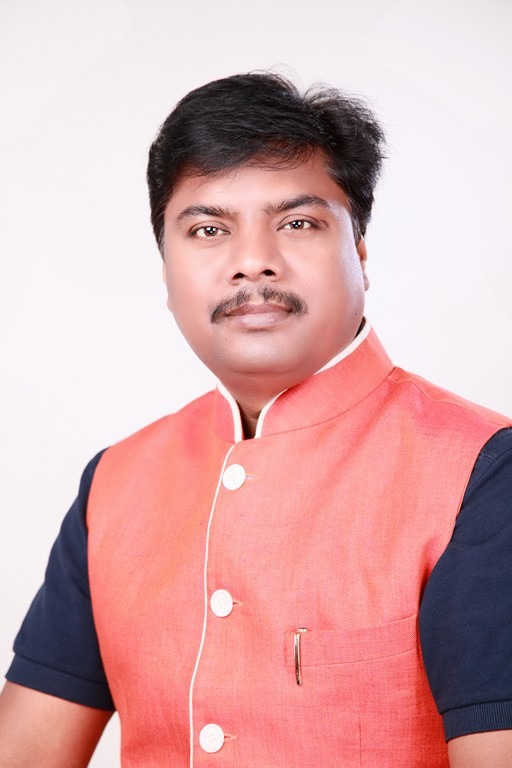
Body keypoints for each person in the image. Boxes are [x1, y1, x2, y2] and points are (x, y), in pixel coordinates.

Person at [0, 72, 511, 768]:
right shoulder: (115, 484)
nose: (252, 263)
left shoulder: (483, 471)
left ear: (360, 252)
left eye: (297, 223)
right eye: (208, 230)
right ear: (165, 269)